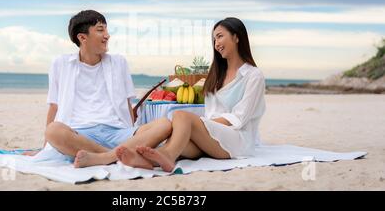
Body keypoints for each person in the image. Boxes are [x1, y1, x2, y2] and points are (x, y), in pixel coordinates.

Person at [25, 10, 172, 169]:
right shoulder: (60, 63)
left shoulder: (119, 62)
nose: (107, 35)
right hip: (80, 135)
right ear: (82, 37)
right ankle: (117, 156)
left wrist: (132, 133)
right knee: (53, 130)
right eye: (100, 30)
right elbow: (54, 106)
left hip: (117, 132)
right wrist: (45, 148)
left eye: (106, 30)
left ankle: (104, 157)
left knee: (164, 124)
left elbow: (126, 103)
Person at [117, 17, 266, 172]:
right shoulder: (216, 75)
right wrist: (202, 128)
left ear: (236, 37)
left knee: (181, 116)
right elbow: (211, 111)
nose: (216, 44)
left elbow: (240, 118)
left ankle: (167, 155)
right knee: (180, 142)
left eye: (220, 36)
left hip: (238, 140)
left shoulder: (254, 76)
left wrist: (202, 125)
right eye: (214, 40)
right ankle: (146, 159)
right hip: (215, 136)